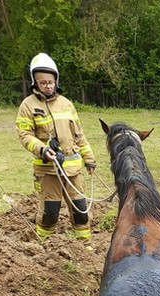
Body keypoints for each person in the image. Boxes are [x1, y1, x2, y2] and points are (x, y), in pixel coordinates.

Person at [15, 53, 96, 241]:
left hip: (74, 171)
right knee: (49, 213)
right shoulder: (27, 106)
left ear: (56, 80)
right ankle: (45, 246)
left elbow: (80, 135)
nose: (48, 86)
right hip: (48, 171)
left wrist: (89, 158)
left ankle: (85, 246)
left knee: (81, 210)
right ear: (35, 82)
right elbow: (25, 135)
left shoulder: (67, 105)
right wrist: (42, 149)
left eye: (50, 82)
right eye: (43, 83)